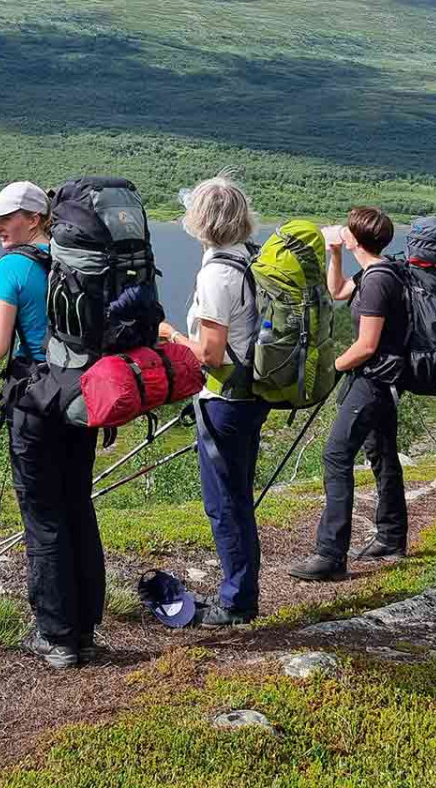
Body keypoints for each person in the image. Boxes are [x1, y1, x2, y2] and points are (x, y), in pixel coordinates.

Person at [0, 181, 104, 669]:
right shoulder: (74, 260)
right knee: (77, 507)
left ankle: (55, 636)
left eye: (7, 216)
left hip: (35, 404)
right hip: (80, 399)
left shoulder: (12, 267)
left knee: (44, 516)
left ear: (35, 217)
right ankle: (86, 630)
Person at [158, 174, 266, 625]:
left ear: (201, 221)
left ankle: (238, 602)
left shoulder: (217, 273)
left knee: (225, 503)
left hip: (225, 400)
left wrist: (170, 335)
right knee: (236, 496)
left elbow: (209, 352)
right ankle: (241, 591)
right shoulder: (247, 259)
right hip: (249, 395)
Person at [288, 207, 410, 581]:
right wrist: (335, 253)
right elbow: (338, 290)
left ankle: (331, 554)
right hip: (386, 380)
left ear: (357, 238)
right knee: (382, 452)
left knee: (336, 455)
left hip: (372, 380)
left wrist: (331, 366)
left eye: (346, 231)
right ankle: (391, 538)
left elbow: (366, 345)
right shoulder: (380, 269)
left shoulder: (376, 282)